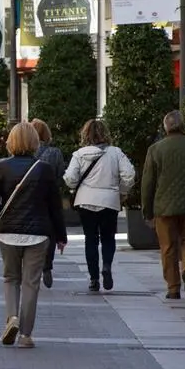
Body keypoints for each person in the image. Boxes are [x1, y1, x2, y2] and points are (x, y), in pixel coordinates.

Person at [0, 123, 67, 348]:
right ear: (35, 142)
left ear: (11, 142)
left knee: (11, 278)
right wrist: (61, 236)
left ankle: (12, 317)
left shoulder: (1, 167)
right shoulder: (44, 169)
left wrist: (1, 216)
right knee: (31, 282)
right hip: (38, 234)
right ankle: (26, 335)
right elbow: (55, 207)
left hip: (8, 232)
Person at [64, 119, 135, 292]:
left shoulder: (79, 154)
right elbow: (129, 174)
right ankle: (107, 266)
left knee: (91, 239)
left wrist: (75, 188)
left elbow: (70, 178)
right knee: (108, 237)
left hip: (86, 201)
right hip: (109, 201)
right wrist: (122, 191)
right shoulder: (116, 153)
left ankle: (94, 278)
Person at [142, 111, 185, 299]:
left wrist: (147, 210)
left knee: (167, 247)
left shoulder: (156, 149)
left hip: (163, 205)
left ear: (165, 126)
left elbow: (148, 183)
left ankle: (173, 288)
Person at [30, 118, 65, 288]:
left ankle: (32, 265)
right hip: (49, 197)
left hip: (28, 198)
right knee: (49, 232)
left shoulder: (24, 152)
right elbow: (60, 175)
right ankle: (47, 264)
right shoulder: (55, 153)